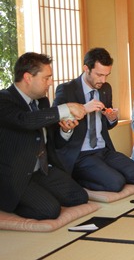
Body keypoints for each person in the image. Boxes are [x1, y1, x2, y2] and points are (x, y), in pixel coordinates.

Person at [0, 52, 88, 220]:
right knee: (50, 210)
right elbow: (25, 121)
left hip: (41, 170)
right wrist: (66, 108)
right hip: (15, 175)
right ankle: (8, 201)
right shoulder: (4, 100)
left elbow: (53, 142)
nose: (50, 83)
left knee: (79, 197)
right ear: (28, 77)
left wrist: (66, 130)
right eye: (46, 78)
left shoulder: (41, 101)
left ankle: (39, 195)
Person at [53, 48, 134, 192]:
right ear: (86, 69)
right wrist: (83, 108)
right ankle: (76, 178)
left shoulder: (105, 89)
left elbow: (107, 123)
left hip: (103, 149)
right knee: (116, 183)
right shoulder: (66, 90)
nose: (103, 80)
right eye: (99, 75)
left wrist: (111, 118)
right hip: (80, 153)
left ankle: (102, 173)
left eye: (106, 75)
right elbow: (56, 122)